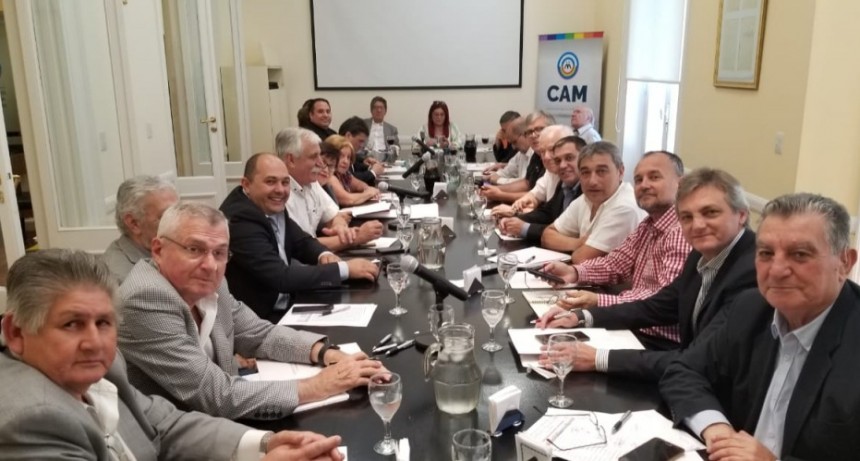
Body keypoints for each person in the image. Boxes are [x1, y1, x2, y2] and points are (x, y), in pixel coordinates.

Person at [0, 249, 345, 461]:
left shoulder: (100, 367)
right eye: (71, 324)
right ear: (15, 333)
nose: (94, 342)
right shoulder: (30, 418)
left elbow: (164, 425)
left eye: (103, 322)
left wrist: (265, 443)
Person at [118, 202, 383, 420]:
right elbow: (217, 396)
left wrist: (326, 353)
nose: (210, 265)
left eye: (220, 253)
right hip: (175, 440)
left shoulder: (211, 282)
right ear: (158, 250)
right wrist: (319, 385)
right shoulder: (147, 298)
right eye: (194, 249)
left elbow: (258, 334)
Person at [661, 193, 860, 461]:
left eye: (800, 254)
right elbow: (683, 371)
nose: (776, 270)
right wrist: (718, 431)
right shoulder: (750, 308)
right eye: (766, 253)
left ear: (845, 263)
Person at [538, 168, 756, 377]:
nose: (697, 225)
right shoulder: (702, 253)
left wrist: (598, 358)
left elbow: (701, 360)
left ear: (741, 215)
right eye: (687, 217)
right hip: (688, 370)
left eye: (710, 213)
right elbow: (659, 306)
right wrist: (582, 317)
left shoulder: (751, 272)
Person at [538, 151, 691, 344]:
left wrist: (598, 301)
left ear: (681, 184)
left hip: (658, 340)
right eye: (639, 180)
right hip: (635, 325)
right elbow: (616, 264)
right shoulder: (649, 224)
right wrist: (574, 272)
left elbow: (662, 301)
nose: (644, 185)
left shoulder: (681, 231)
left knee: (557, 347)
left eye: (654, 177)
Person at [220, 153, 380, 321]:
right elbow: (280, 277)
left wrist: (324, 255)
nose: (280, 190)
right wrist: (344, 269)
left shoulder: (267, 202)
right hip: (260, 319)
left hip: (289, 303)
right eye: (270, 181)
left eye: (285, 182)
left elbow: (301, 241)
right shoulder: (240, 218)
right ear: (246, 184)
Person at [541, 141, 645, 262]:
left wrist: (572, 246)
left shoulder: (625, 207)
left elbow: (581, 258)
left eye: (601, 171)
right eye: (585, 172)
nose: (592, 181)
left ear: (620, 172)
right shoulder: (586, 199)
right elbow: (547, 236)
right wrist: (579, 243)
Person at [280, 127, 382, 251]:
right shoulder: (281, 195)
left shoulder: (311, 183)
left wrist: (340, 227)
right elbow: (302, 247)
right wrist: (356, 237)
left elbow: (334, 216)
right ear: (291, 160)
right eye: (314, 157)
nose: (320, 164)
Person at [498, 130, 580, 243]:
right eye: (558, 160)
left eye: (569, 158)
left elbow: (566, 231)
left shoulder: (586, 189)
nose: (562, 165)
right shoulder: (563, 182)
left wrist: (524, 228)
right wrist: (515, 219)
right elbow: (547, 212)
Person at [103, 175, 178, 282]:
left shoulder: (166, 248)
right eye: (167, 216)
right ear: (134, 223)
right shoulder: (126, 278)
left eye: (178, 212)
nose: (179, 222)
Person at [479, 111, 554, 203]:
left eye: (540, 129)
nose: (534, 135)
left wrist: (500, 194)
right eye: (530, 132)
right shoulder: (536, 155)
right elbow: (527, 184)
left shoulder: (554, 158)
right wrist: (494, 190)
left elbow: (539, 197)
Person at [325, 135, 380, 207]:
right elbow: (348, 200)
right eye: (341, 156)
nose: (345, 161)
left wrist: (369, 190)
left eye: (348, 157)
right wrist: (368, 194)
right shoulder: (329, 176)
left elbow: (359, 185)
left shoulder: (344, 174)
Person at [337, 117, 383, 186]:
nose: (362, 146)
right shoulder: (335, 152)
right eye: (360, 141)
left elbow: (354, 165)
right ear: (348, 136)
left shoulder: (347, 151)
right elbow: (349, 178)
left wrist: (367, 165)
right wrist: (373, 172)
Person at [486, 117, 531, 184]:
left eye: (515, 142)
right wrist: (490, 177)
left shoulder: (536, 154)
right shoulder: (521, 153)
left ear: (525, 134)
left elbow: (526, 184)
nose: (513, 147)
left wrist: (498, 180)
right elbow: (508, 171)